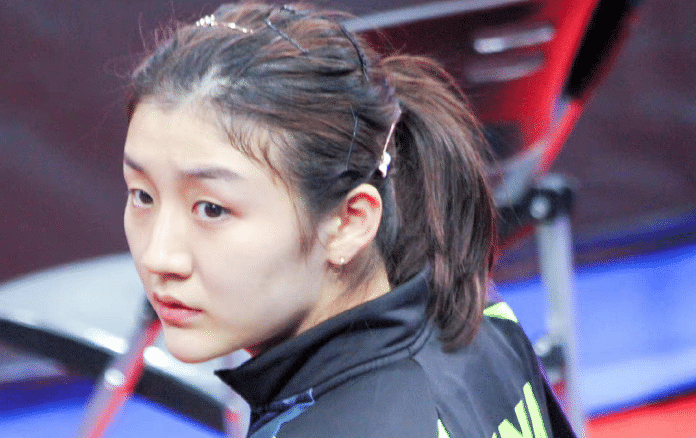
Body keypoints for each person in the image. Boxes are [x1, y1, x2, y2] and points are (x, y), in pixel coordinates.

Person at [122, 3, 575, 437]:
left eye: (212, 209)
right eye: (142, 195)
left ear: (348, 222)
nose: (159, 256)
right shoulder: (482, 317)